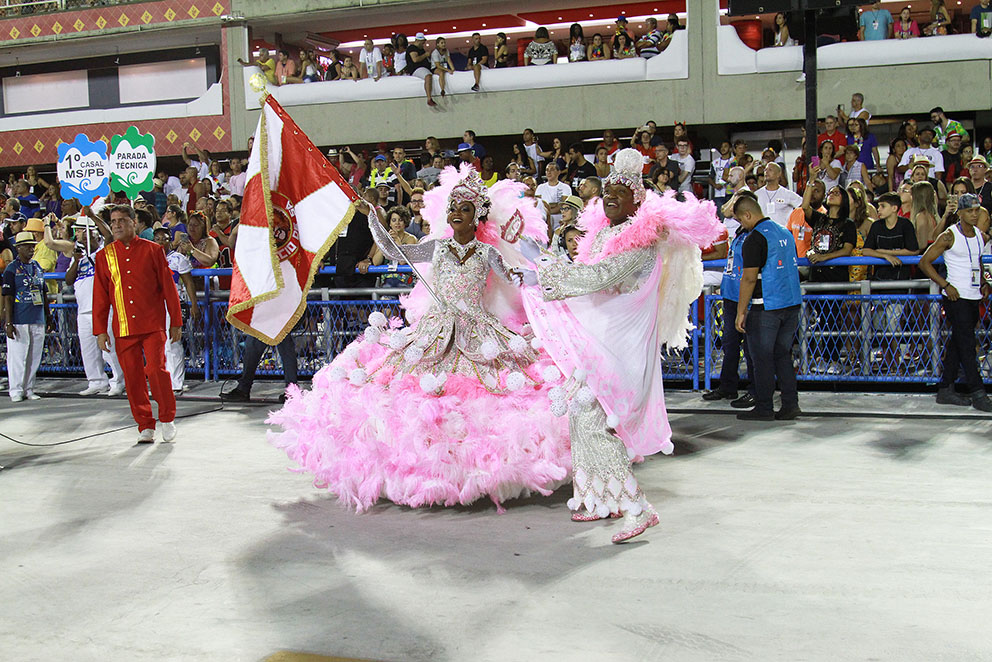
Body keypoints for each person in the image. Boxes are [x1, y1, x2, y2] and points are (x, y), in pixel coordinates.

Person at [268, 166, 570, 512]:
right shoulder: (436, 247)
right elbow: (395, 252)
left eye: (465, 208)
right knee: (414, 395)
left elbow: (517, 277)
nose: (457, 213)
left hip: (478, 331)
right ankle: (422, 472)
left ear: (478, 218)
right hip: (434, 331)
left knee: (483, 398)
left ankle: (475, 473)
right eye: (453, 207)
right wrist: (375, 219)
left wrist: (549, 274)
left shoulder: (487, 253)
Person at [521, 148, 722, 543]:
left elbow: (598, 278)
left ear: (638, 200)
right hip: (597, 337)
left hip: (620, 345)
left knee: (595, 421)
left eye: (620, 191)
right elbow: (585, 271)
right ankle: (599, 500)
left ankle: (637, 507)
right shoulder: (604, 234)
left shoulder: (641, 241)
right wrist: (540, 261)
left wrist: (540, 277)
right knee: (580, 416)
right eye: (607, 190)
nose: (610, 196)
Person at [93, 205, 182, 444]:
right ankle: (145, 424)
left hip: (153, 324)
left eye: (122, 220)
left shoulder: (153, 250)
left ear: (134, 223)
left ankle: (167, 417)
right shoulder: (104, 256)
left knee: (156, 370)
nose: (117, 225)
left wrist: (176, 321)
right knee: (132, 378)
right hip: (122, 328)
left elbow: (168, 288)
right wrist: (100, 330)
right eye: (113, 221)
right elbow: (100, 297)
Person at [919, 194, 992, 411]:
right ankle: (978, 392)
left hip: (973, 296)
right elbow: (925, 262)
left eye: (977, 210)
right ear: (959, 213)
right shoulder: (949, 236)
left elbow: (978, 261)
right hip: (955, 297)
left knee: (959, 343)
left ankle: (945, 389)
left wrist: (984, 283)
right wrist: (945, 285)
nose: (975, 213)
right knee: (967, 344)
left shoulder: (980, 235)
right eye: (970, 210)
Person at [733, 194, 802, 421]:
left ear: (748, 215)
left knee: (761, 358)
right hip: (791, 303)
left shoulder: (754, 238)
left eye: (742, 221)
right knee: (783, 355)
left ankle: (764, 407)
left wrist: (741, 311)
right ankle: (790, 404)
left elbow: (749, 278)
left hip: (766, 307)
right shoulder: (784, 231)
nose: (742, 226)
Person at [703, 191, 757, 406]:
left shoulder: (756, 235)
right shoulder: (740, 234)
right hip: (731, 293)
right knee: (729, 343)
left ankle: (755, 389)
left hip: (748, 297)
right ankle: (728, 387)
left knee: (752, 347)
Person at [63, 216, 126, 396]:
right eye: (78, 231)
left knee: (109, 348)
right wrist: (76, 260)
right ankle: (96, 381)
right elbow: (68, 279)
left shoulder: (103, 252)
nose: (80, 234)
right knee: (88, 349)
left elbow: (108, 235)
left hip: (103, 309)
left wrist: (92, 216)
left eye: (83, 230)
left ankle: (118, 381)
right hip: (83, 309)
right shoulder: (79, 255)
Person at [861, 192, 919, 370]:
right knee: (880, 323)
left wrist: (890, 253)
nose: (879, 210)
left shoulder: (905, 225)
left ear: (895, 208)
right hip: (879, 282)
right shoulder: (877, 226)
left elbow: (914, 251)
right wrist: (886, 255)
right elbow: (866, 251)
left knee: (893, 322)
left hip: (900, 282)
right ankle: (890, 360)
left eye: (883, 206)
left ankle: (896, 360)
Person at [3, 231, 51, 402]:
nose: (31, 249)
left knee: (34, 357)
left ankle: (28, 388)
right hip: (19, 319)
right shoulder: (11, 269)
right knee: (18, 357)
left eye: (33, 246)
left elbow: (44, 292)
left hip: (37, 317)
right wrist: (9, 322)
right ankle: (15, 390)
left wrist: (48, 315)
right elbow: (7, 296)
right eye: (27, 246)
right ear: (18, 248)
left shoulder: (37, 266)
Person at [152, 227, 200, 393]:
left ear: (170, 240)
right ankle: (161, 381)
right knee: (156, 344)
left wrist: (194, 304)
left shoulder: (177, 259)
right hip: (153, 306)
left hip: (172, 304)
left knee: (172, 343)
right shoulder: (149, 258)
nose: (160, 242)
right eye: (157, 239)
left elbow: (188, 283)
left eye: (164, 238)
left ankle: (176, 381)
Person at [755, 162, 802, 226]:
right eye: (765, 170)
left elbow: (803, 205)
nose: (766, 172)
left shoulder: (787, 194)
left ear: (778, 174)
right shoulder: (757, 194)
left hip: (782, 232)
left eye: (770, 170)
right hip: (762, 232)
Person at [405, 33, 436, 107]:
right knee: (428, 76)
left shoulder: (421, 49)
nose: (423, 44)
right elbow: (415, 59)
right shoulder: (412, 48)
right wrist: (425, 55)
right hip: (417, 69)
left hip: (424, 67)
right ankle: (429, 98)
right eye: (422, 42)